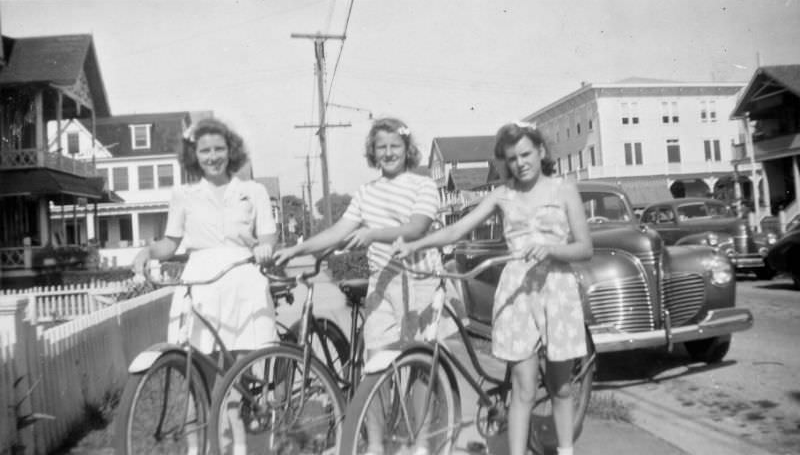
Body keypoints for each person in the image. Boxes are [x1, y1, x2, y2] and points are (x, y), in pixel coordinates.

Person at [394, 122, 592, 455]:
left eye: (526, 154)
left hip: (557, 289)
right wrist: (417, 244)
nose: (520, 163)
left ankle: (565, 449)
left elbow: (585, 248)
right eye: (512, 158)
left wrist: (552, 249)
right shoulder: (502, 194)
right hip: (517, 292)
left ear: (541, 152)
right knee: (522, 387)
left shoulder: (564, 189)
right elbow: (457, 230)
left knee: (559, 386)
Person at [273, 117, 441, 455]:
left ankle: (421, 443)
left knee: (420, 363)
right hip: (383, 282)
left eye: (395, 146)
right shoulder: (367, 192)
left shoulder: (423, 185)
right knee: (375, 364)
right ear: (373, 153)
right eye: (382, 147)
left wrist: (372, 234)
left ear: (407, 150)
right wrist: (297, 248)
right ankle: (377, 444)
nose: (389, 152)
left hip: (420, 281)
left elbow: (417, 228)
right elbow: (338, 232)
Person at [132, 117, 278, 354]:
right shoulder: (183, 195)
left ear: (231, 151)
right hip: (201, 281)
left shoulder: (253, 190)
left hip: (243, 277)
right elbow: (170, 243)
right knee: (201, 355)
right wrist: (148, 252)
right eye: (205, 151)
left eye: (219, 149)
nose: (213, 157)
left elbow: (268, 236)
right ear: (195, 155)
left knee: (247, 355)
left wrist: (265, 248)